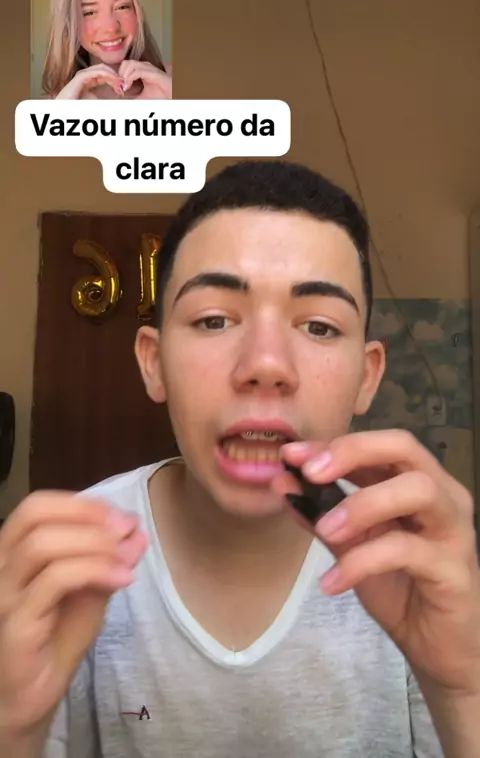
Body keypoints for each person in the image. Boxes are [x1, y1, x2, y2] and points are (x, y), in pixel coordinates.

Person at [1, 161, 479, 758]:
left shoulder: (413, 562)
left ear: (367, 376)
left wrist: (463, 691)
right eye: (214, 319)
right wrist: (11, 728)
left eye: (320, 327)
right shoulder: (69, 567)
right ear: (153, 362)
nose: (266, 364)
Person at [41, 0, 172, 100]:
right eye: (89, 13)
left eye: (122, 7)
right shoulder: (55, 103)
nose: (111, 27)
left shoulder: (172, 82)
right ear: (69, 24)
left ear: (137, 12)